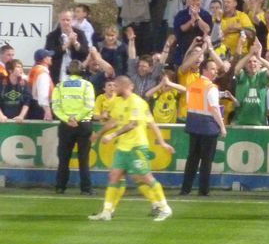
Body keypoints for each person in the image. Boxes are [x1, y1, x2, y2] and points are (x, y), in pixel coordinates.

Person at [88, 75, 174, 222]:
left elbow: (133, 124)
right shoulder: (117, 102)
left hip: (137, 147)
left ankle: (165, 208)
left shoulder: (137, 102)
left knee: (145, 177)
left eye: (116, 86)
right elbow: (114, 121)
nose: (113, 89)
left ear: (124, 86)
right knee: (114, 176)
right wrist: (99, 134)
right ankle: (107, 211)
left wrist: (112, 135)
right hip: (123, 147)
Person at [180, 59, 227, 196]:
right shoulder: (211, 87)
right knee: (206, 161)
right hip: (208, 127)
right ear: (204, 70)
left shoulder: (193, 84)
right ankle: (203, 190)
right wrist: (222, 127)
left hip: (194, 124)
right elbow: (214, 109)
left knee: (192, 159)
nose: (215, 72)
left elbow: (189, 102)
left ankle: (185, 188)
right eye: (212, 69)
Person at [51, 60, 95, 195]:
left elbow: (56, 107)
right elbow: (89, 106)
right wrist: (77, 118)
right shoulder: (87, 85)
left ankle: (60, 187)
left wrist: (67, 119)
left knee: (64, 158)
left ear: (68, 70)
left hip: (66, 125)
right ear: (82, 71)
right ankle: (86, 189)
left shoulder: (59, 86)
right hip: (84, 124)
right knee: (84, 158)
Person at [45, 10, 90, 83]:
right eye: (63, 20)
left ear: (72, 20)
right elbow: (49, 54)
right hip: (58, 73)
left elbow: (85, 52)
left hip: (76, 73)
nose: (65, 22)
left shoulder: (80, 34)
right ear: (59, 20)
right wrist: (67, 44)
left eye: (68, 20)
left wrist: (75, 42)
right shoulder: (52, 36)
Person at [28, 48, 55, 120]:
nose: (51, 58)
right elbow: (43, 94)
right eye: (49, 56)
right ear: (44, 59)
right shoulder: (42, 73)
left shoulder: (36, 69)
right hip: (41, 108)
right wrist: (47, 111)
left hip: (35, 105)